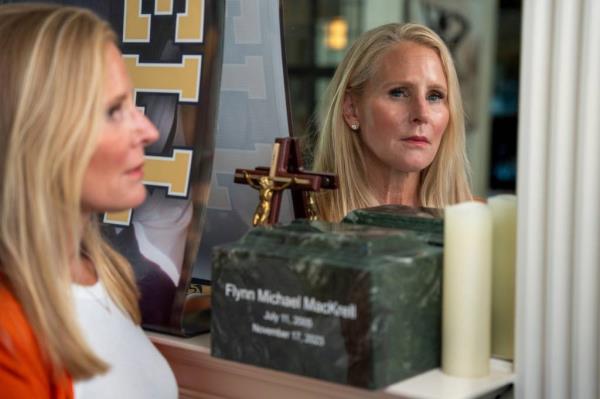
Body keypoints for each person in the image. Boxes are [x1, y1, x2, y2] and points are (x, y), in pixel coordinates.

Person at [0, 4, 177, 398]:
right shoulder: (8, 331)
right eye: (114, 110)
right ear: (39, 135)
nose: (147, 130)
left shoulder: (107, 273)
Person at [312, 23, 473, 222]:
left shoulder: (472, 225)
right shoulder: (303, 219)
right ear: (351, 108)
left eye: (435, 96)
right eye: (398, 93)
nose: (422, 114)